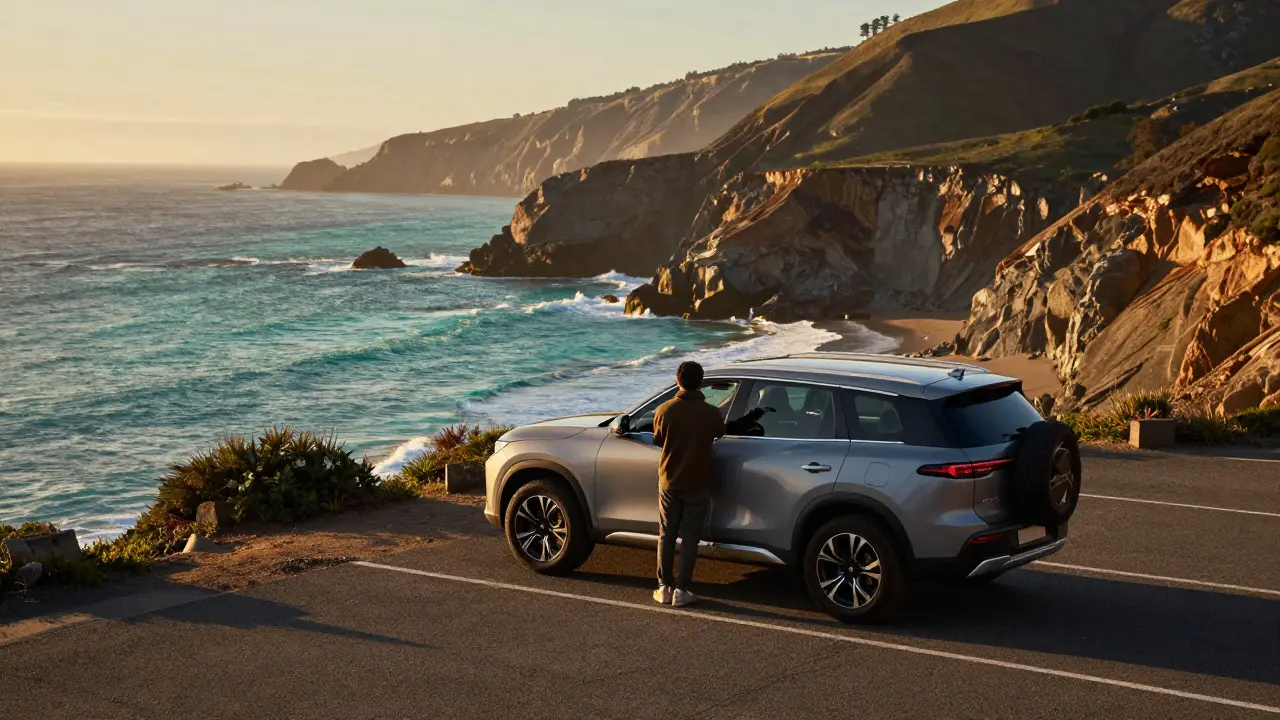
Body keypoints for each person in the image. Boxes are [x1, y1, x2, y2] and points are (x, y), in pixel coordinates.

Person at [651, 361, 767, 607]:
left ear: (678, 380)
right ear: (700, 382)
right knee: (690, 537)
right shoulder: (710, 412)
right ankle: (682, 589)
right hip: (699, 481)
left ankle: (664, 587)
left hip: (669, 481)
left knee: (666, 534)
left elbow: (658, 439)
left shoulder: (664, 410)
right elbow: (720, 431)